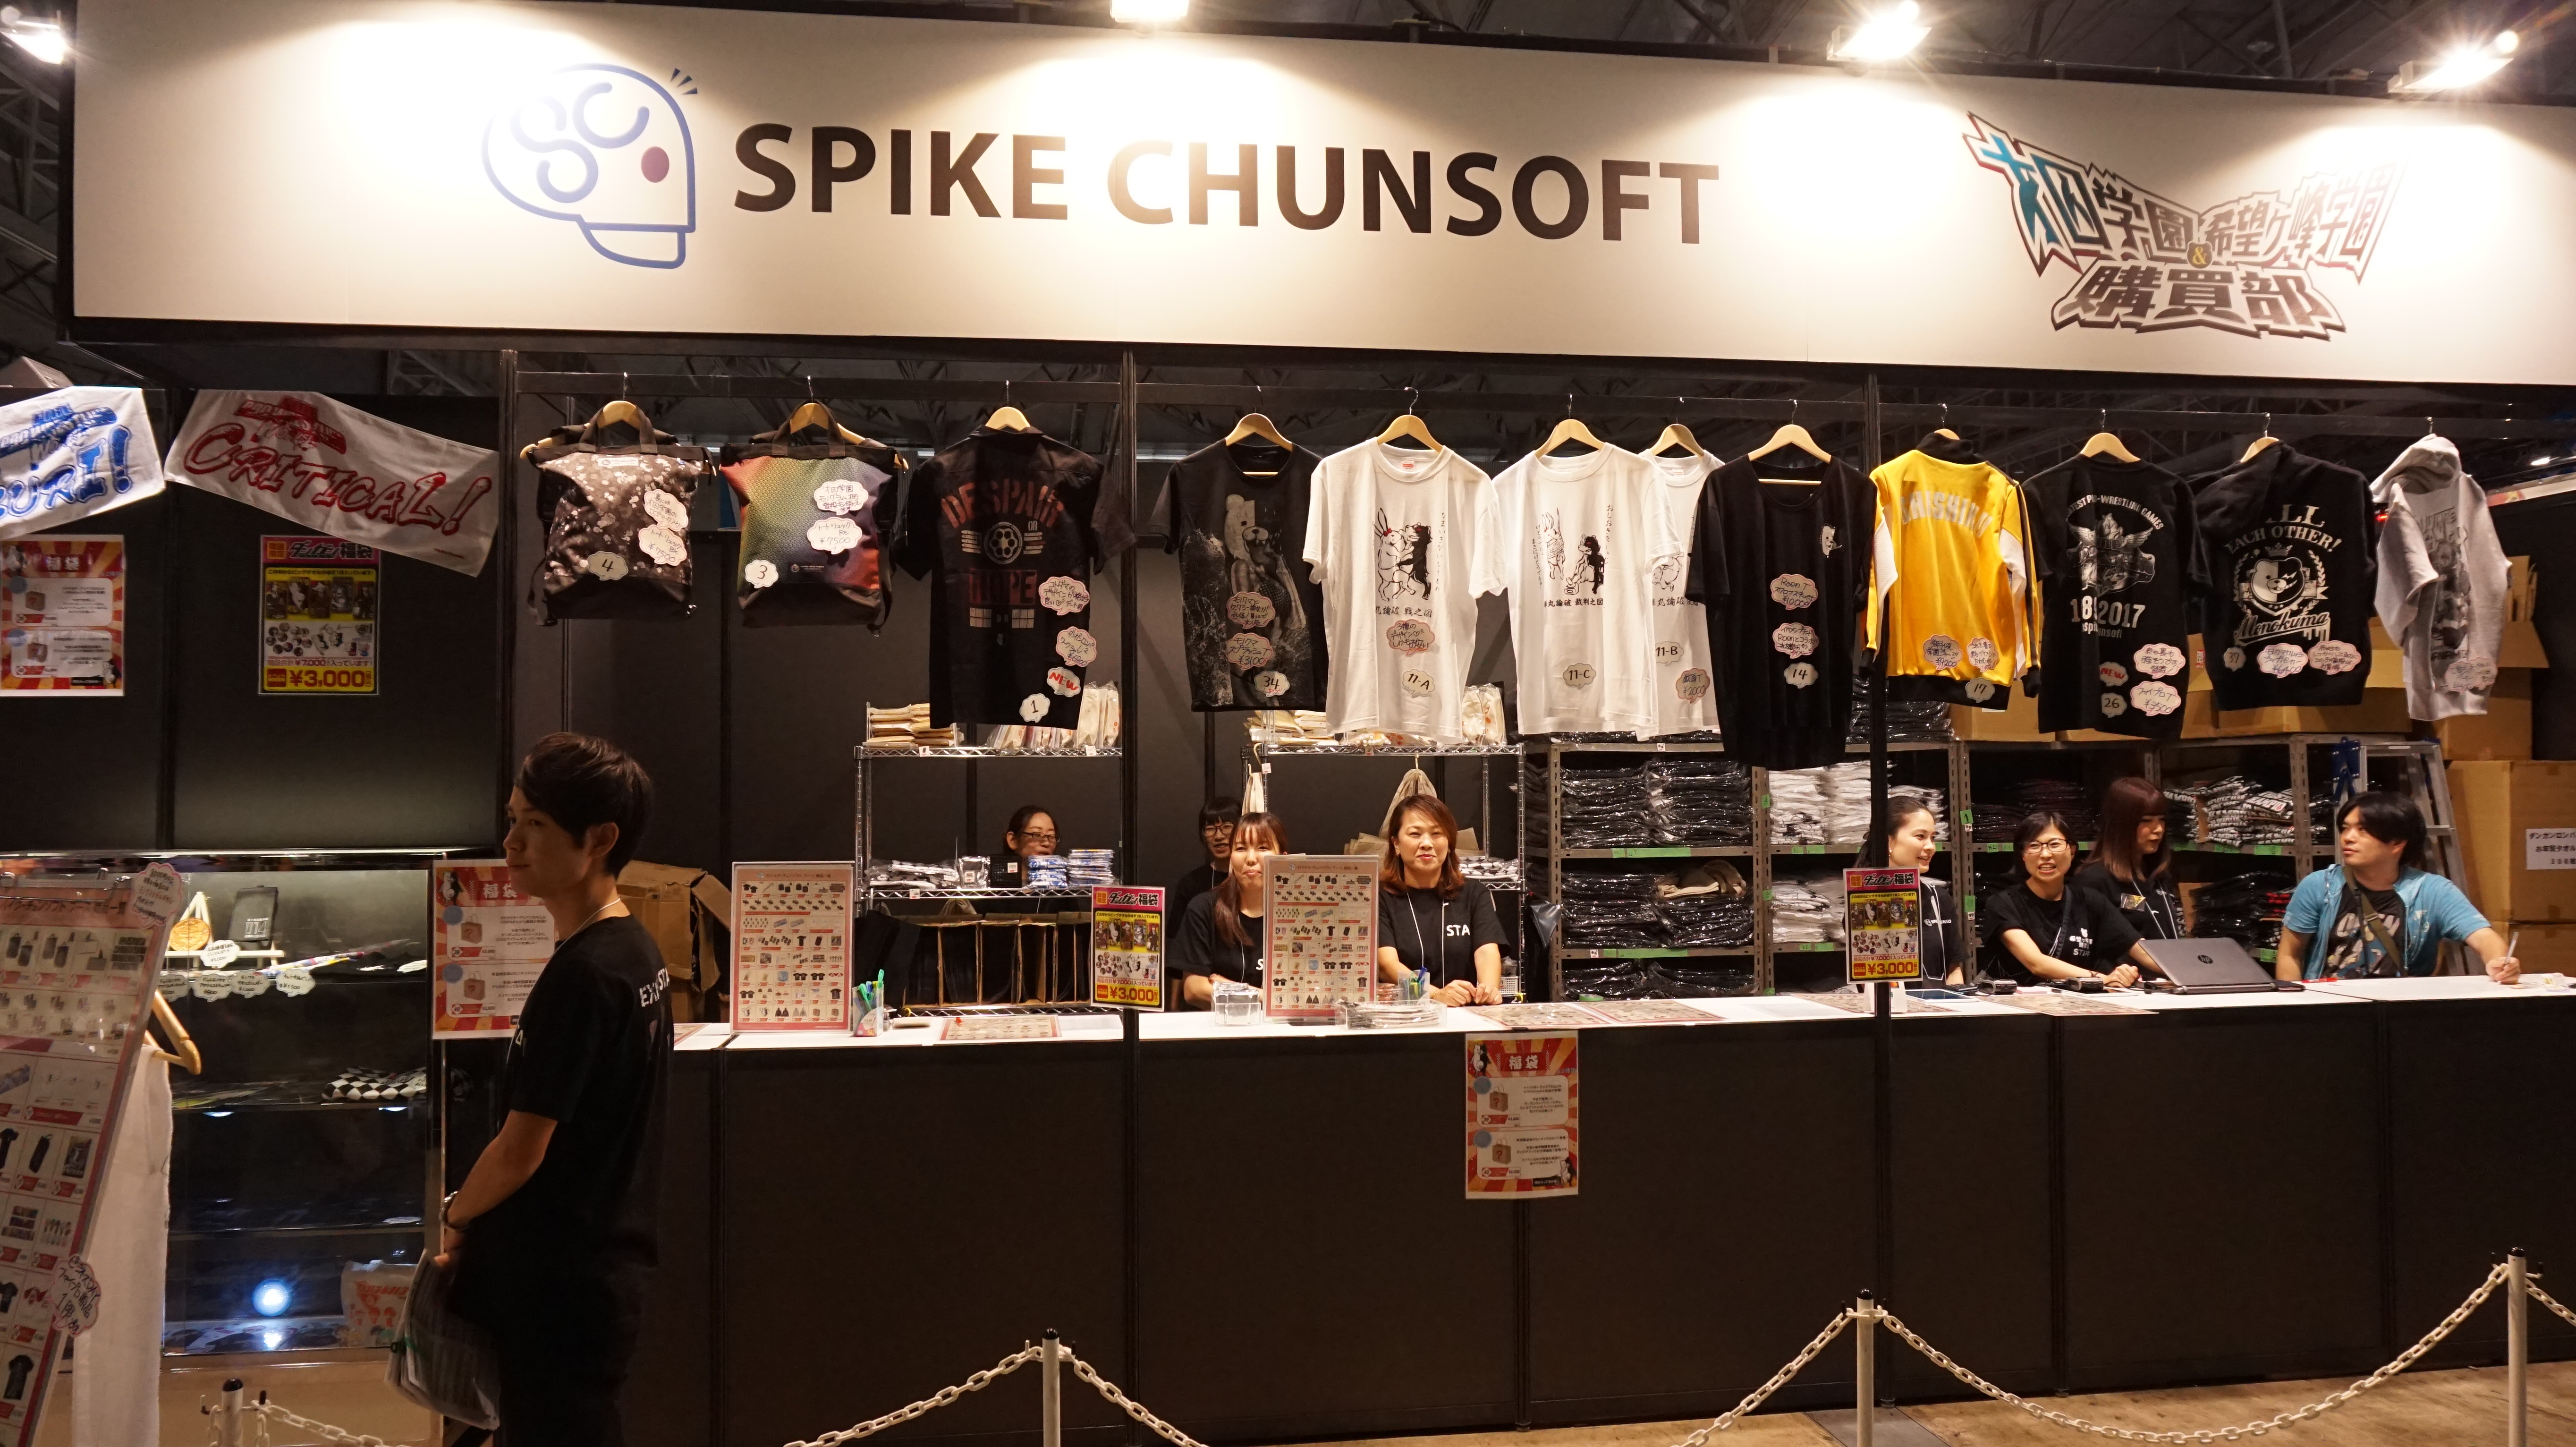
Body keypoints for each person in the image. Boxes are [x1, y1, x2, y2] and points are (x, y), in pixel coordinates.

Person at [442, 733, 670, 1447]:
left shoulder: (586, 975)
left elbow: (521, 1148)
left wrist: (455, 1215)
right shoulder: (634, 950)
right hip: (600, 1270)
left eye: (535, 824)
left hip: (559, 1284)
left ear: (599, 839)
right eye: (512, 818)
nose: (511, 842)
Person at [2278, 791, 2520, 983]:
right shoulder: (2321, 886)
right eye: (2345, 828)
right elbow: (2290, 954)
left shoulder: (2432, 891)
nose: (2348, 838)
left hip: (2401, 1011)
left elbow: (2484, 937)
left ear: (2397, 843)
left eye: (2363, 830)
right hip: (2330, 1007)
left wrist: (2501, 963)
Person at [1978, 811, 2162, 987]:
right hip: (2018, 1004)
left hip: (2078, 1003)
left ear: (2072, 851)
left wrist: (2176, 971)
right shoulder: (2004, 903)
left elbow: (2141, 950)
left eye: (2055, 844)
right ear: (2023, 855)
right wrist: (2101, 979)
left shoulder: (2090, 901)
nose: (2045, 854)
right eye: (2034, 846)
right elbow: (2037, 963)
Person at [1375, 795, 1508, 1005]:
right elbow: (1387, 965)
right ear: (1396, 844)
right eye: (1415, 834)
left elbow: (1487, 952)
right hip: (1404, 1015)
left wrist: (1489, 990)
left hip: (1464, 1012)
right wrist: (1434, 995)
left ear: (1450, 843)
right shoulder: (1379, 897)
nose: (1427, 844)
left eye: (1437, 834)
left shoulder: (1474, 893)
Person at [1173, 811, 1286, 1007]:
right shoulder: (1203, 908)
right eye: (1241, 848)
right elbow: (1194, 990)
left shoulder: (1301, 914)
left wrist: (1228, 987)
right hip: (1218, 1025)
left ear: (1283, 859)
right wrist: (1269, 998)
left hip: (1282, 1025)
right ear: (1232, 856)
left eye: (1263, 847)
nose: (1251, 859)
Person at [2073, 776, 2186, 942]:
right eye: (2146, 821)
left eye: (2162, 820)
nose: (2159, 829)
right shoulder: (2093, 882)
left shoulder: (2159, 876)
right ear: (2121, 825)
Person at [1869, 792, 1965, 986]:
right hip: (1889, 1004)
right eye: (1920, 836)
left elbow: (1953, 970)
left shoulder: (1939, 899)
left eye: (1933, 838)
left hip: (1939, 1004)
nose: (1931, 847)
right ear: (1888, 841)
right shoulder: (1865, 902)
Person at [1169, 797, 1239, 911]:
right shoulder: (1191, 884)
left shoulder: (1252, 878)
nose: (1219, 836)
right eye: (1210, 829)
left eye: (1227, 827)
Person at [988, 805, 1058, 887]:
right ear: (1013, 840)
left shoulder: (1063, 889)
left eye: (1051, 836)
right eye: (1037, 835)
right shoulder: (995, 889)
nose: (1046, 843)